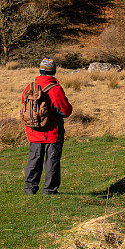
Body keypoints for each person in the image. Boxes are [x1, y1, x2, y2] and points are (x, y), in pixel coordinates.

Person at [21, 58, 73, 195]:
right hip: (52, 132)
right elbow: (65, 111)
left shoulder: (30, 87)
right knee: (52, 161)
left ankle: (30, 189)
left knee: (34, 159)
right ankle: (49, 190)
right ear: (54, 71)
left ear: (40, 70)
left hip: (33, 131)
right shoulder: (55, 89)